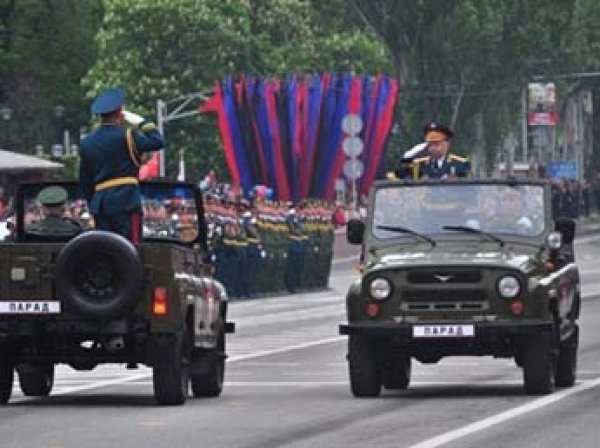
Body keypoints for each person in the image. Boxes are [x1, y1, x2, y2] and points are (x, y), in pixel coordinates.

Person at [79, 87, 164, 243]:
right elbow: (158, 141)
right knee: (130, 250)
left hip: (101, 205)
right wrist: (142, 122)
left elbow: (85, 181)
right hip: (126, 201)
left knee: (105, 250)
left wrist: (95, 203)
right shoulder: (128, 135)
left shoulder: (87, 142)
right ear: (120, 113)